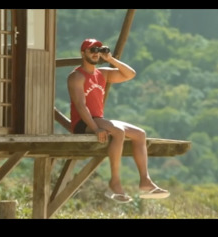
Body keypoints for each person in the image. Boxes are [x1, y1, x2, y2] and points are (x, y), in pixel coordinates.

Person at [67, 38, 170, 203]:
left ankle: (145, 182)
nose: (95, 54)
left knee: (140, 134)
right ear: (83, 52)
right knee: (118, 132)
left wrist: (110, 59)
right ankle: (114, 182)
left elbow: (130, 74)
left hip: (99, 120)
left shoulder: (102, 74)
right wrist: (94, 128)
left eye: (98, 50)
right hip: (84, 123)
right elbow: (80, 106)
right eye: (92, 50)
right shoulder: (76, 76)